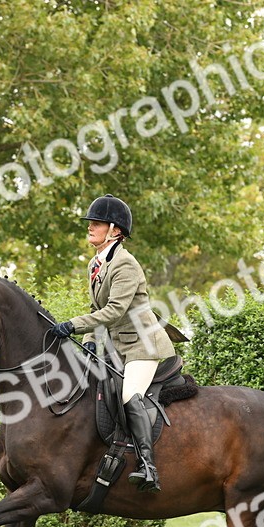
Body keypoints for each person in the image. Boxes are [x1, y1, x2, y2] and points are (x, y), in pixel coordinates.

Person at [48, 194, 174, 492]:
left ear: (115, 230)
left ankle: (148, 466)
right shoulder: (97, 263)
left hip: (144, 347)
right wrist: (90, 341)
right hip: (119, 347)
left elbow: (114, 310)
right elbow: (96, 311)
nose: (90, 227)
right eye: (90, 222)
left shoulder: (125, 265)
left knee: (131, 394)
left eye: (97, 223)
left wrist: (73, 326)